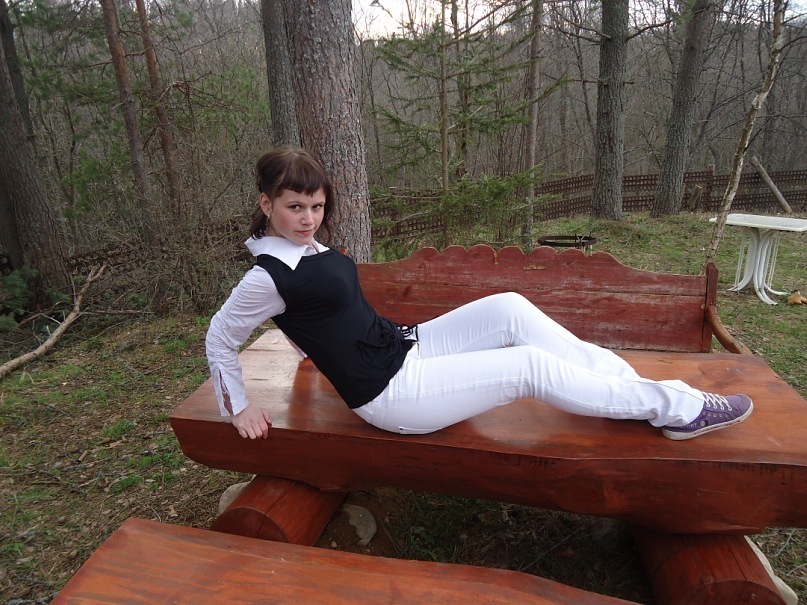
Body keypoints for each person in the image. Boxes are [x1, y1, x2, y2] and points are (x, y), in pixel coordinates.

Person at [206, 147, 753, 442]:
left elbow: (314, 312)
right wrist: (239, 408)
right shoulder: (266, 276)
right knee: (527, 366)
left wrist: (306, 346)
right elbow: (221, 337)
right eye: (295, 207)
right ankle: (676, 410)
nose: (308, 219)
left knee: (509, 307)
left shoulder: (304, 251)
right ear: (266, 204)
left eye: (317, 207)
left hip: (405, 344)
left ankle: (625, 386)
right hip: (392, 394)